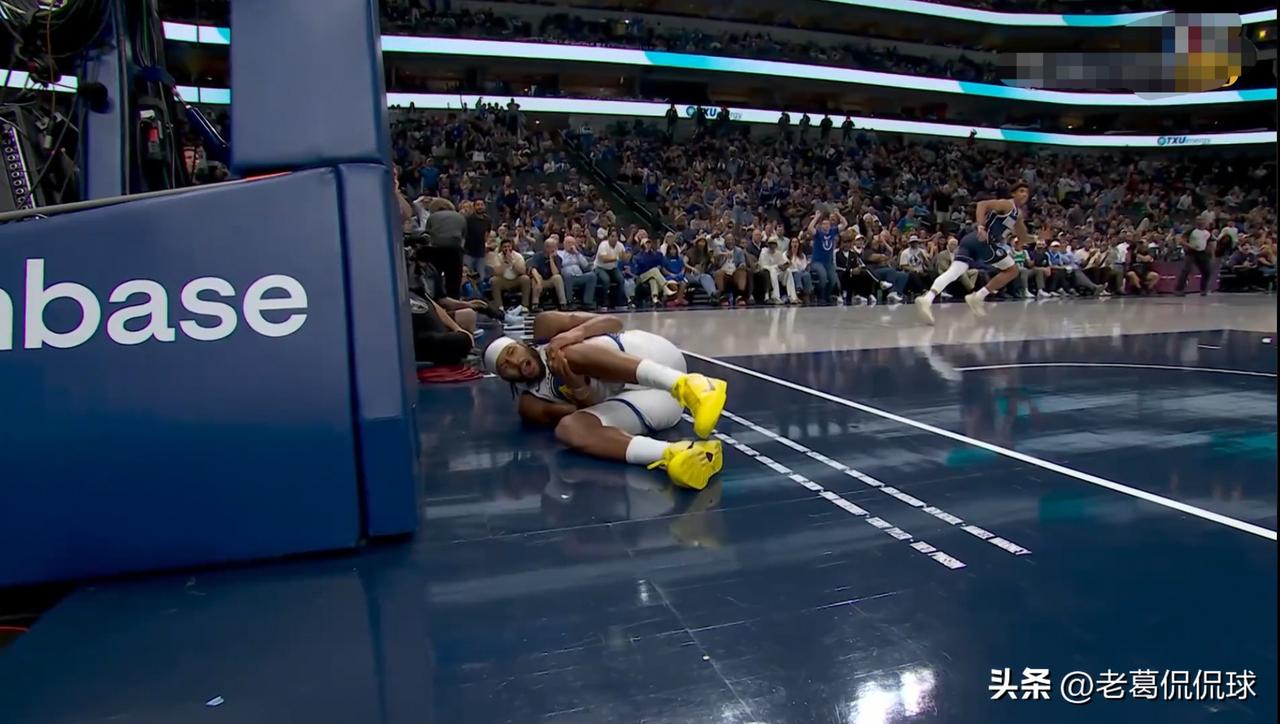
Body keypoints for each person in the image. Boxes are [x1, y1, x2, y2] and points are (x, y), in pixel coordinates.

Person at [484, 312, 728, 490]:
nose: (514, 363)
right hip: (654, 403)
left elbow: (614, 322)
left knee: (569, 352)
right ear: (506, 379)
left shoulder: (545, 326)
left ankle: (688, 384)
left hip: (653, 357)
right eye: (506, 367)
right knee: (569, 429)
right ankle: (679, 454)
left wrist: (572, 335)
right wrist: (576, 385)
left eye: (511, 353)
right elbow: (586, 409)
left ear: (521, 344)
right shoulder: (531, 403)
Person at [915, 182, 1031, 323]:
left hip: (970, 239)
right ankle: (978, 297)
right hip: (984, 241)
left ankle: (927, 299)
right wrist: (981, 226)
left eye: (1026, 192)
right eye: (1021, 191)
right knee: (1012, 270)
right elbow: (982, 204)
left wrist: (1035, 239)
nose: (1024, 194)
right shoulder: (1006, 204)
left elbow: (1023, 237)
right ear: (1013, 193)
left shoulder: (1017, 215)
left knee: (954, 272)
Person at [1176, 219, 1214, 296]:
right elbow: (1181, 241)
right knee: (1186, 270)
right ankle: (1179, 290)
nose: (1202, 224)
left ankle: (1203, 290)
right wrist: (1190, 246)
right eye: (1200, 222)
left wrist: (1211, 253)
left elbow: (1210, 243)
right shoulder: (1191, 231)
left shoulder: (1207, 233)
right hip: (1191, 253)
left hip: (1202, 253)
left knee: (1207, 271)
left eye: (1203, 223)